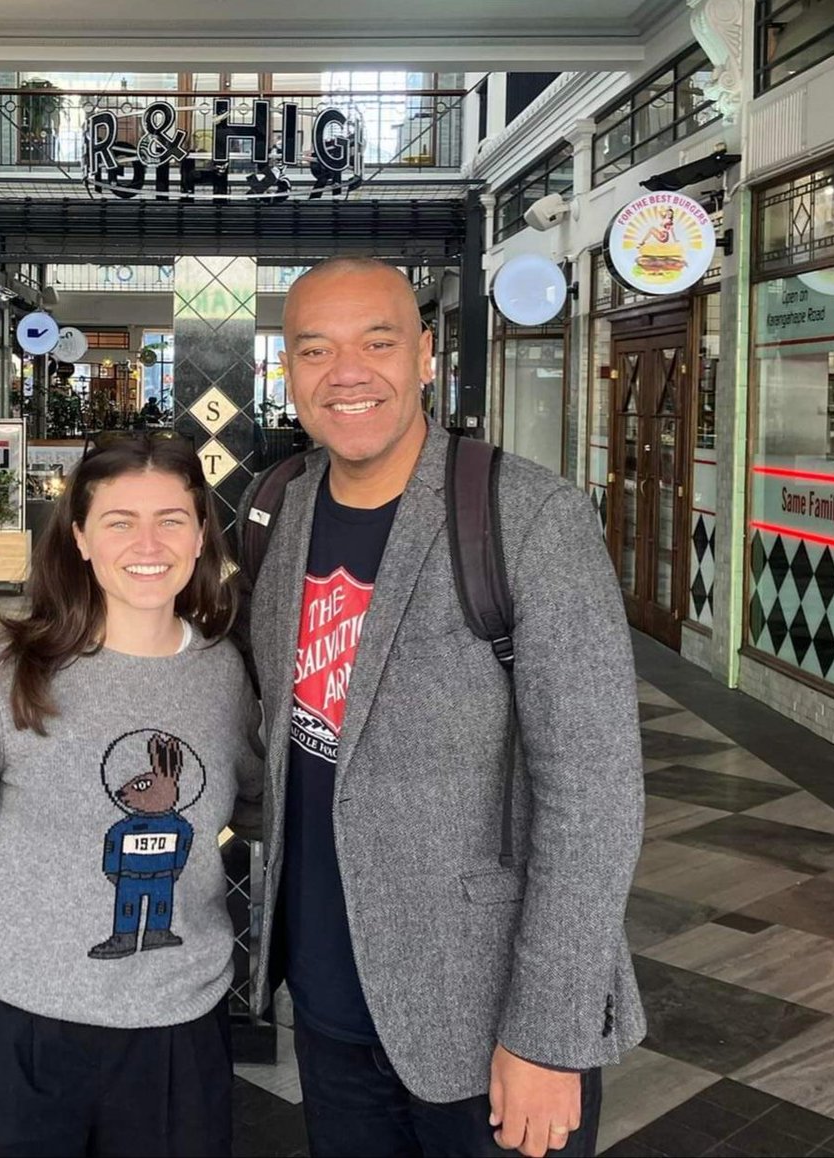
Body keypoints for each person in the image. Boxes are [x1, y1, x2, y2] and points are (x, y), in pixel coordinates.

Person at [238, 259, 646, 1158]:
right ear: (289, 368)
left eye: (378, 342)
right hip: (330, 1003)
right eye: (316, 349)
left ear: (426, 355)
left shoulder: (527, 518)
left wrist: (548, 1035)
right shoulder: (280, 509)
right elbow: (278, 739)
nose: (347, 373)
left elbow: (595, 798)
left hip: (486, 1017)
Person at [0, 431, 263, 1157]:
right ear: (82, 539)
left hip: (174, 1036)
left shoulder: (224, 675)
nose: (148, 544)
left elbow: (259, 805)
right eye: (120, 522)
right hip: (10, 1030)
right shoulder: (13, 673)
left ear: (200, 538)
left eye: (171, 520)